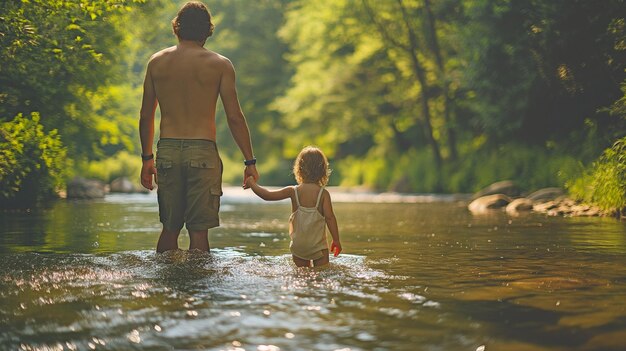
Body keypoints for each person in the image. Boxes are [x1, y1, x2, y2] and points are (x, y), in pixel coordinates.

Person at [139, 1, 258, 253]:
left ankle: (163, 287)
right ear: (207, 31)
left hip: (168, 151)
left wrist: (147, 158)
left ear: (176, 28)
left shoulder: (156, 62)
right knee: (199, 232)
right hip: (203, 152)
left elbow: (146, 115)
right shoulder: (220, 64)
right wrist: (249, 162)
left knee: (169, 229)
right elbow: (234, 117)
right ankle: (199, 287)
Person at [244, 146, 341, 267]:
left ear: (299, 169)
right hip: (318, 246)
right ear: (323, 170)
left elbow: (267, 195)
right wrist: (336, 240)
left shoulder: (293, 191)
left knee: (301, 276)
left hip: (299, 246)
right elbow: (330, 218)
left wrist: (252, 183)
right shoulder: (323, 194)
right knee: (321, 275)